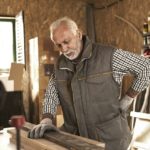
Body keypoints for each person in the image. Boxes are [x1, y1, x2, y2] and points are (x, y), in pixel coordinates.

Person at [28, 16, 150, 150]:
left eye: (66, 42)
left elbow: (146, 67)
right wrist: (46, 119)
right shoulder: (60, 65)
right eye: (58, 45)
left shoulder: (109, 56)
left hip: (110, 141)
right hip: (76, 140)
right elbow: (52, 93)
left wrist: (129, 97)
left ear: (78, 34)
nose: (64, 49)